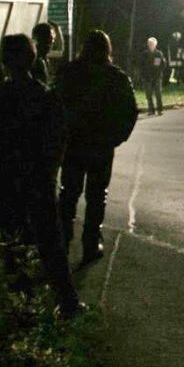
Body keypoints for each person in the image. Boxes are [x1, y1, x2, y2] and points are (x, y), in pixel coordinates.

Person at [0, 34, 84, 318]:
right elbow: (58, 140)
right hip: (39, 182)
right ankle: (67, 302)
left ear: (3, 62)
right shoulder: (45, 97)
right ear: (32, 59)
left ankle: (21, 305)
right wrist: (49, 172)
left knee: (13, 243)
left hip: (7, 185)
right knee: (50, 243)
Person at [55, 30, 138, 266]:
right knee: (97, 195)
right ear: (107, 50)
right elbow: (130, 111)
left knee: (69, 192)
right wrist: (116, 138)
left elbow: (55, 106)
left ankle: (63, 238)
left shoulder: (69, 72)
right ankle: (91, 241)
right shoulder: (115, 77)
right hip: (101, 145)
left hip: (74, 143)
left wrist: (60, 135)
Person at [140, 36, 165, 115]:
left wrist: (157, 73)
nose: (150, 45)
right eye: (149, 44)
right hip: (147, 77)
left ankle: (160, 109)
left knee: (158, 93)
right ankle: (151, 110)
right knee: (149, 94)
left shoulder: (158, 54)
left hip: (156, 76)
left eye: (152, 44)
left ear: (155, 45)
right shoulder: (144, 54)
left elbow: (159, 65)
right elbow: (141, 65)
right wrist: (144, 75)